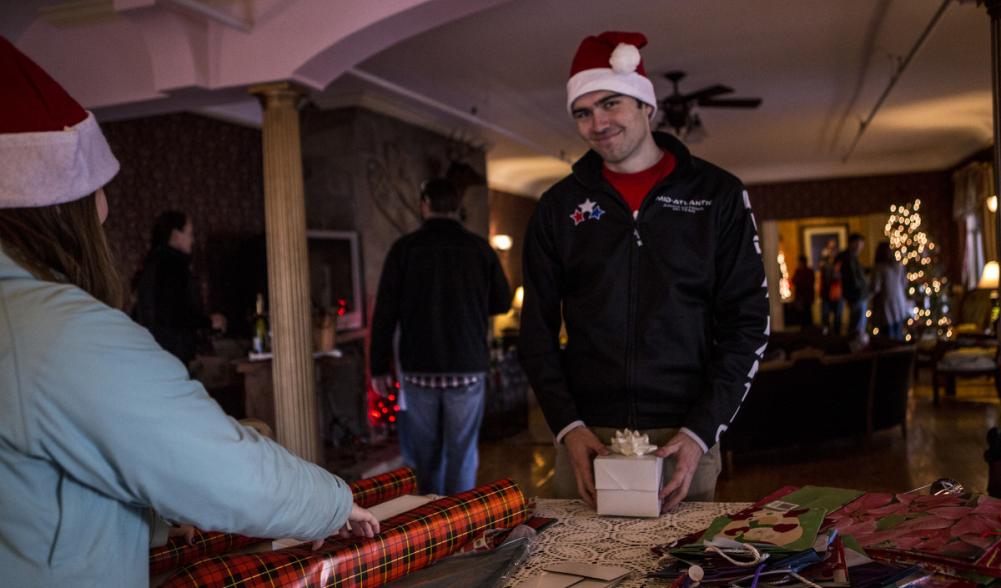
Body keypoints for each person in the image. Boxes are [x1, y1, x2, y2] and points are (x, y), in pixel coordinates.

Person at [0, 37, 378, 585]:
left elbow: (40, 484)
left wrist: (152, 515)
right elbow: (218, 465)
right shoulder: (53, 331)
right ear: (59, 206)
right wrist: (333, 502)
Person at [519, 31, 769, 512]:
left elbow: (749, 321)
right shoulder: (558, 207)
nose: (598, 123)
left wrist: (701, 431)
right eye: (583, 112)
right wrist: (568, 427)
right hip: (588, 437)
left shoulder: (717, 194)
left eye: (611, 103)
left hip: (683, 436)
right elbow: (537, 331)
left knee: (676, 571)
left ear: (646, 105)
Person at [369, 178, 511, 495]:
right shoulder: (479, 248)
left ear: (425, 204)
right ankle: (457, 526)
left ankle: (429, 524)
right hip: (467, 367)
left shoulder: (404, 249)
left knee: (424, 456)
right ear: (457, 207)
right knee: (461, 454)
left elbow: (385, 312)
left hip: (419, 368)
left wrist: (378, 366)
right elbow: (502, 301)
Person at [133, 210, 227, 367]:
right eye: (190, 234)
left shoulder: (152, 265)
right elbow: (175, 312)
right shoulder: (172, 265)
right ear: (176, 235)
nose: (193, 240)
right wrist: (209, 322)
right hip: (170, 353)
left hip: (153, 351)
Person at [870, 241, 910, 340]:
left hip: (885, 304)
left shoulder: (878, 268)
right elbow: (904, 284)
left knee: (888, 337)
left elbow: (875, 287)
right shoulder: (898, 266)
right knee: (898, 334)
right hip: (899, 303)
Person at [836, 233, 869, 338]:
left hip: (855, 296)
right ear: (854, 243)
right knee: (857, 329)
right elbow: (853, 279)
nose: (861, 247)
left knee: (856, 325)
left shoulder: (850, 257)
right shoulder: (849, 258)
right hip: (857, 296)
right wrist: (862, 290)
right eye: (860, 244)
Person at [818, 239, 843, 334]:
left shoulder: (839, 263)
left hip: (837, 294)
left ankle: (837, 336)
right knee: (825, 317)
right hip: (826, 293)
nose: (831, 250)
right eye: (830, 248)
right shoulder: (824, 263)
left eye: (833, 248)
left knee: (837, 318)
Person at [792, 254, 816, 330]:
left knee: (807, 315)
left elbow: (808, 283)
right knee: (802, 317)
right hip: (801, 298)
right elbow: (794, 281)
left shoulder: (808, 272)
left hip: (806, 298)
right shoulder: (798, 271)